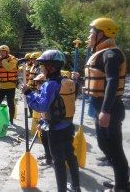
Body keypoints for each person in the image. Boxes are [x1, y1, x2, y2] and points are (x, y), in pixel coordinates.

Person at [22, 49, 80, 192]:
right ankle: (76, 186)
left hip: (55, 130)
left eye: (43, 66)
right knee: (70, 156)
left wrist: (28, 93)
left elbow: (41, 106)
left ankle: (61, 189)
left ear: (51, 67)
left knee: (59, 161)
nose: (41, 68)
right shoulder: (67, 81)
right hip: (68, 126)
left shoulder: (50, 84)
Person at [84, 18, 129, 191]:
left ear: (101, 34)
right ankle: (122, 179)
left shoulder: (111, 54)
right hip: (100, 108)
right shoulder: (103, 53)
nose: (89, 36)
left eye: (91, 32)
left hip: (109, 109)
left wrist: (105, 110)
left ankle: (122, 186)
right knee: (104, 145)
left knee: (115, 149)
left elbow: (111, 81)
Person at [0, 45, 18, 125]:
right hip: (1, 86)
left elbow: (8, 68)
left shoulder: (13, 59)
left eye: (3, 51)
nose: (1, 53)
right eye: (0, 52)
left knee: (10, 104)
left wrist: (2, 61)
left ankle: (11, 121)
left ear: (7, 52)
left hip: (11, 86)